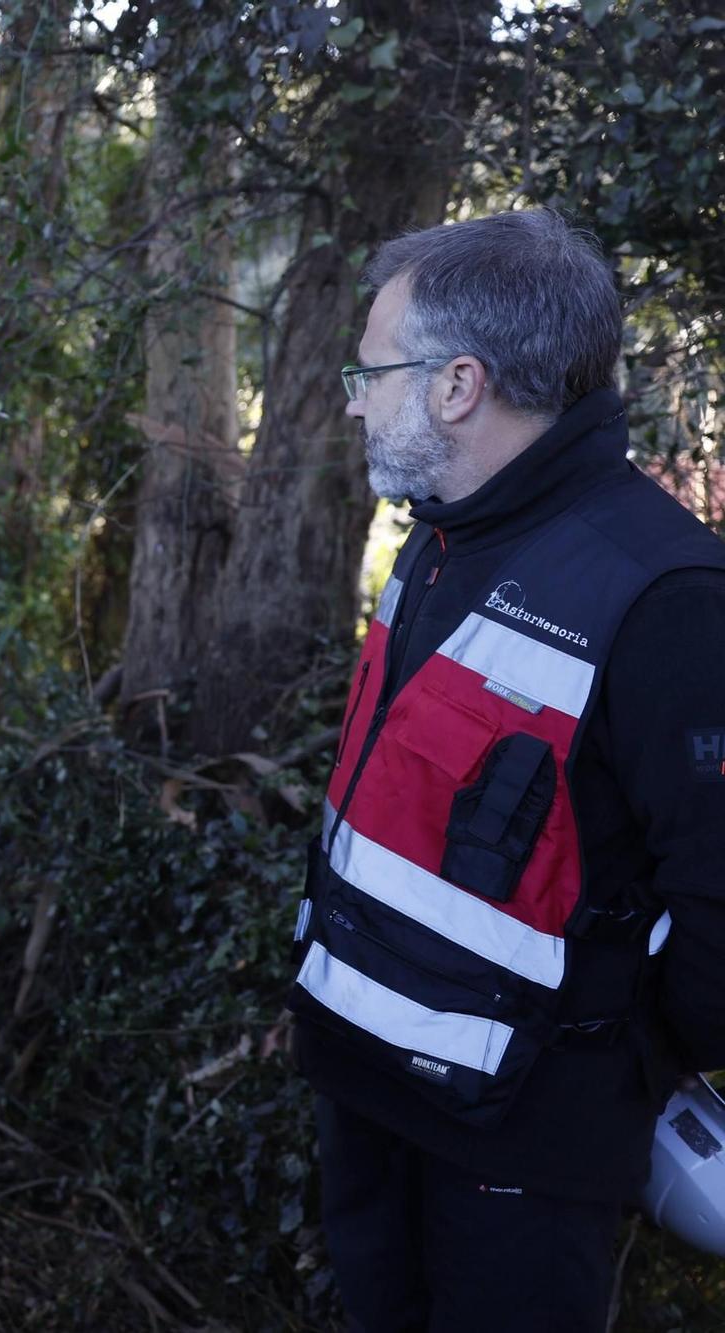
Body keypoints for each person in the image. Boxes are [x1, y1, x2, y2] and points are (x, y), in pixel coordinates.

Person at [289, 206, 725, 1331]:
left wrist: (611, 1066)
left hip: (524, 1147)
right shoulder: (439, 538)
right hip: (368, 1091)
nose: (352, 396)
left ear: (455, 386)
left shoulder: (666, 596)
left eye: (370, 370)